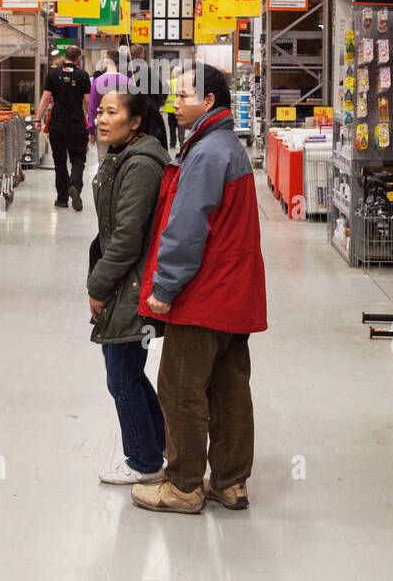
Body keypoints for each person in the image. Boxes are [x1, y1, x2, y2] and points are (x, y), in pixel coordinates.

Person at [133, 64, 267, 515]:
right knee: (230, 387)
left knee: (180, 387)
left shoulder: (208, 153)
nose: (175, 101)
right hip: (234, 294)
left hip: (203, 295)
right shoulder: (227, 146)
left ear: (209, 101)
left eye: (184, 93)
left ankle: (184, 485)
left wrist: (165, 288)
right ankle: (230, 483)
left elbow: (187, 228)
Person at [87, 90, 170, 485]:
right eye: (99, 111)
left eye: (112, 112)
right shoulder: (123, 155)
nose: (102, 118)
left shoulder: (140, 165)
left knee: (121, 377)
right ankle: (160, 445)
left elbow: (126, 237)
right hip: (126, 279)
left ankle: (144, 462)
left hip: (130, 283)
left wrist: (99, 284)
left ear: (135, 121)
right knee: (130, 374)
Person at [34, 45, 91, 210]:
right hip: (76, 123)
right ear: (78, 58)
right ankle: (75, 185)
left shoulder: (52, 73)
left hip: (57, 123)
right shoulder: (82, 75)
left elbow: (45, 98)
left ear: (65, 56)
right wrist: (91, 120)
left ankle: (62, 198)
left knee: (59, 163)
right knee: (78, 159)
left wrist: (38, 119)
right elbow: (87, 101)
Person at [87, 55, 129, 167]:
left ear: (107, 62)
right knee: (122, 161)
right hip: (123, 126)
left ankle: (103, 183)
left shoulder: (97, 81)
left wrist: (91, 129)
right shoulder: (128, 81)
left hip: (103, 126)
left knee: (103, 161)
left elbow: (92, 106)